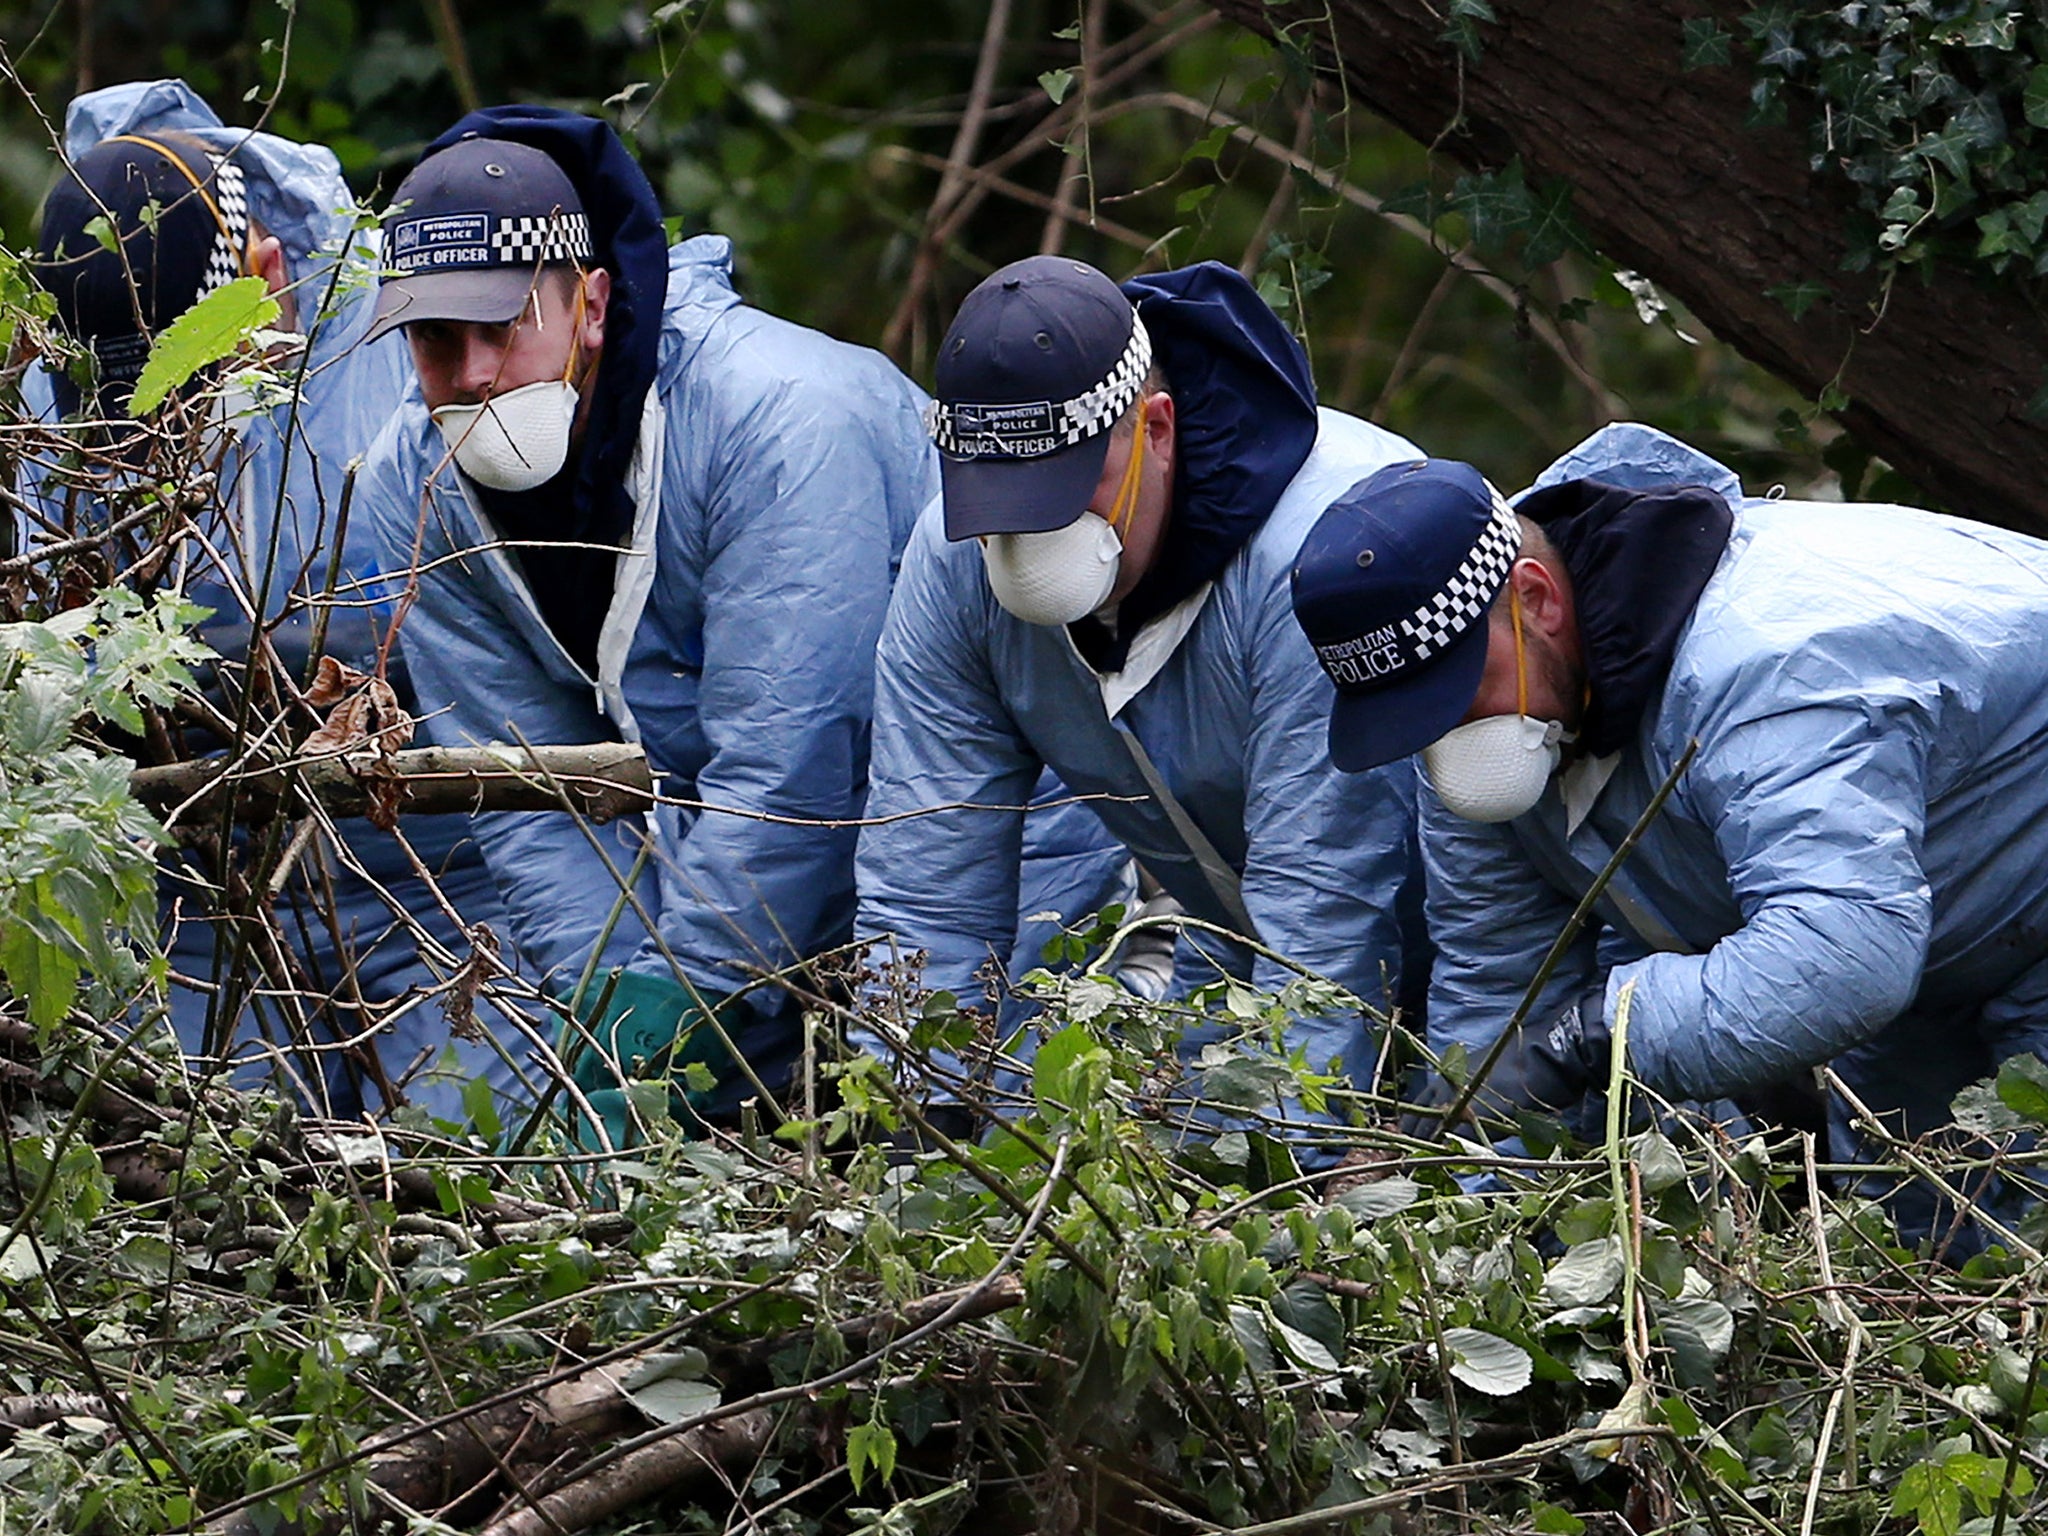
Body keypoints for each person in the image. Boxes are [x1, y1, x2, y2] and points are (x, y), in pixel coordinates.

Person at [355, 106, 1040, 1145]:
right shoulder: (413, 482)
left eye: (498, 328)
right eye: (431, 341)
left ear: (589, 304)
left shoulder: (778, 420)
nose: (470, 375)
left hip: (993, 857)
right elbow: (529, 787)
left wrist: (685, 1000)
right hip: (758, 896)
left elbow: (790, 758)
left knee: (963, 1155)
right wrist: (610, 1006)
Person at [1290, 421, 2048, 1249]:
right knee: (1922, 1228)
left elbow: (1846, 951)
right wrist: (1483, 1219)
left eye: (1455, 692)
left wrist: (1603, 1033)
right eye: (1415, 716)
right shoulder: (1493, 730)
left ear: (1535, 598)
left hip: (1984, 901)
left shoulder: (1767, 669)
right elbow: (1497, 981)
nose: (1447, 738)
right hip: (1947, 932)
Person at [851, 256, 1430, 1149]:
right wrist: (910, 1116)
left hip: (1457, 959)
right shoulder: (957, 561)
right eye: (1001, 498)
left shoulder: (1325, 551)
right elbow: (928, 873)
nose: (1027, 533)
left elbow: (1325, 897)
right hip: (1235, 947)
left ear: (1155, 429)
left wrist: (1288, 1163)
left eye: (1055, 492)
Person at [24, 79, 512, 1123]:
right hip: (191, 877)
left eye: (183, 388)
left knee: (464, 1164)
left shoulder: (407, 344)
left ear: (266, 276)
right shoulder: (55, 388)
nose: (156, 431)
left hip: (435, 870)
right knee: (201, 1183)